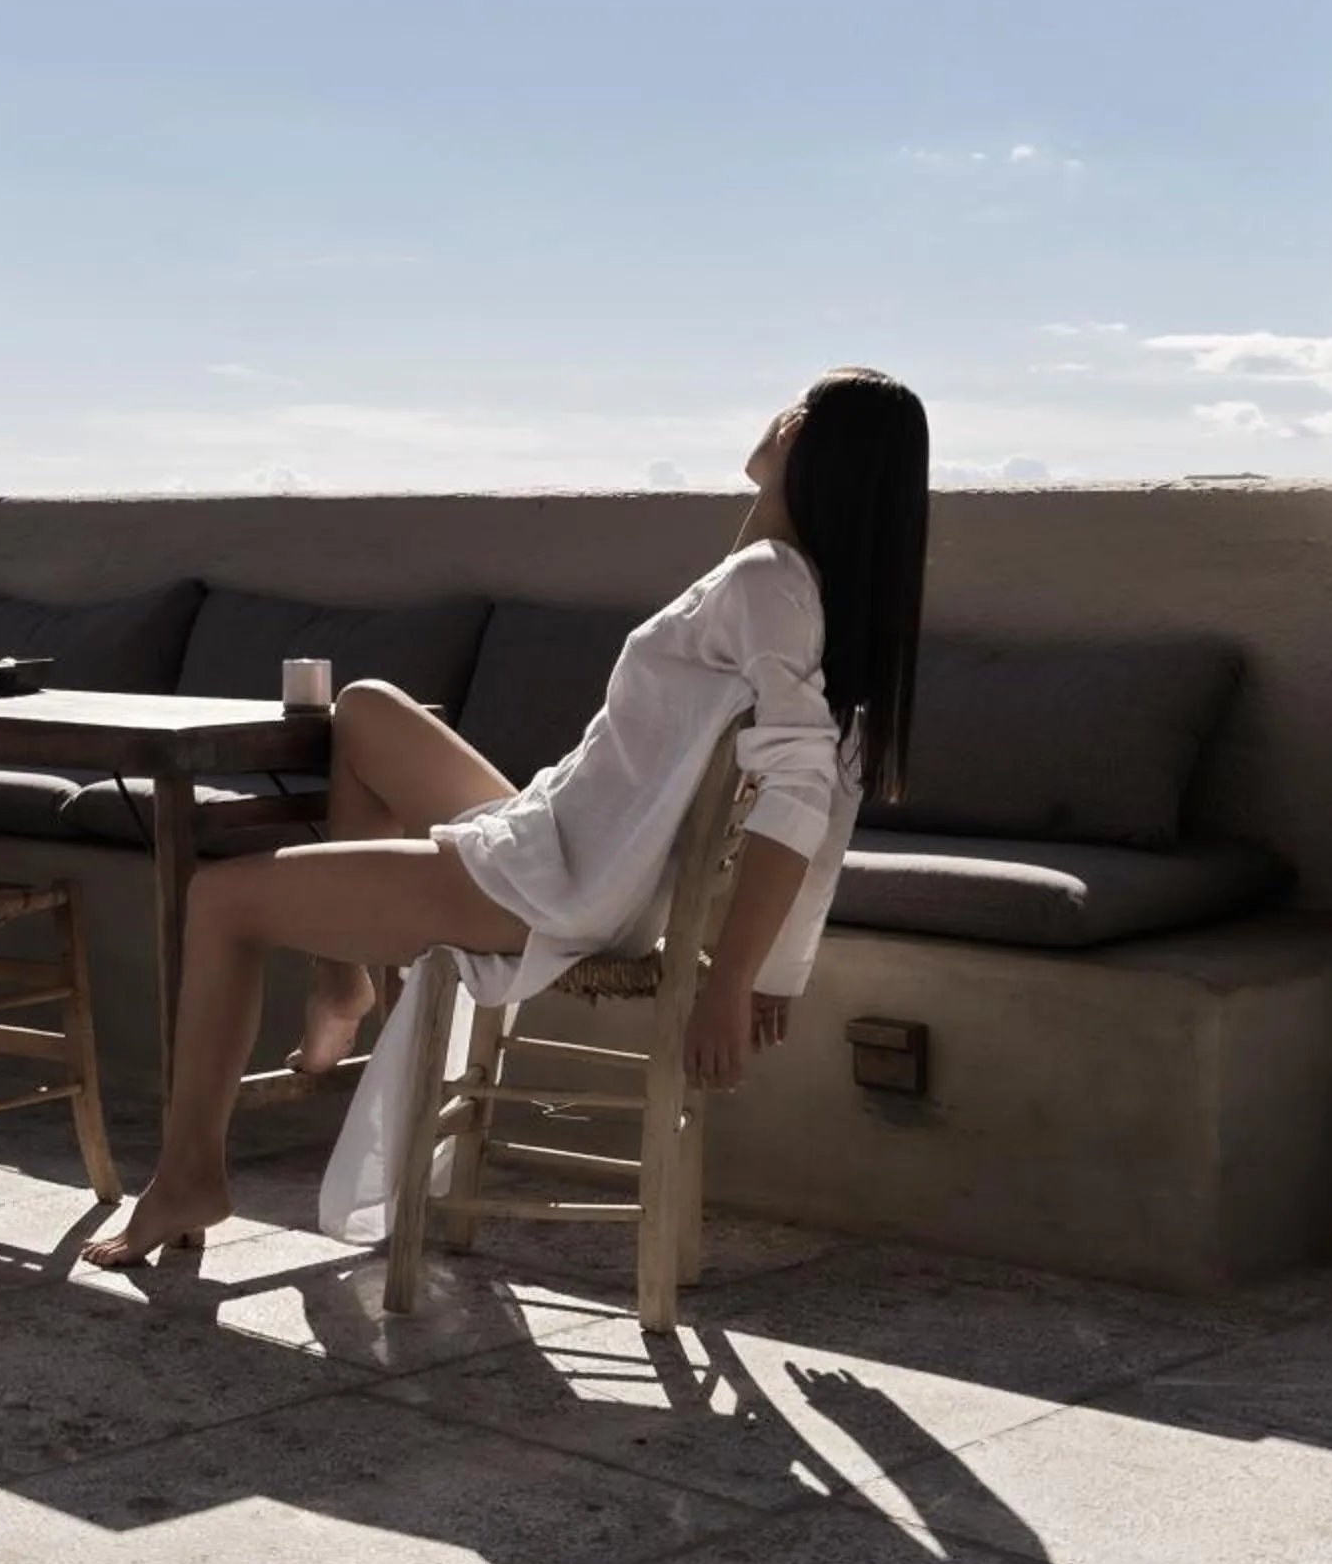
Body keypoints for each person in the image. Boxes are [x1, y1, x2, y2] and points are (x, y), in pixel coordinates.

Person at [81, 367, 931, 1268]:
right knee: (364, 711)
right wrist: (782, 973)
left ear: (830, 460)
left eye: (809, 414)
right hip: (564, 837)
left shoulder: (771, 582)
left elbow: (804, 791)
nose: (785, 416)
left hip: (555, 878)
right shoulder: (792, 588)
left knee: (218, 901)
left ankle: (188, 1176)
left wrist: (737, 984)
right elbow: (832, 783)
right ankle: (346, 982)